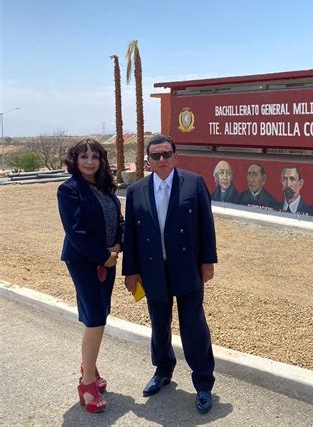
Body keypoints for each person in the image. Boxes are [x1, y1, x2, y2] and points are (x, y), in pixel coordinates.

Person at [122, 134, 217, 414]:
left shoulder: (194, 182)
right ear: (148, 160)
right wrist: (131, 270)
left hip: (187, 267)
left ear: (176, 156)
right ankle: (163, 371)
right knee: (159, 324)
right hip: (153, 269)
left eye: (166, 154)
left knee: (193, 326)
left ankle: (203, 384)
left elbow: (205, 225)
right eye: (155, 155)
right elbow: (132, 235)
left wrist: (207, 261)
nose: (161, 160)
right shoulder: (136, 190)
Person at [57, 138, 123, 414]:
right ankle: (87, 384)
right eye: (83, 157)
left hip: (109, 258)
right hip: (84, 262)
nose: (89, 162)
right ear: (75, 160)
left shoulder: (106, 187)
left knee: (100, 314)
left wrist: (118, 246)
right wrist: (103, 256)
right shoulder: (69, 190)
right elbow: (75, 232)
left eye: (94, 157)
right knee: (95, 317)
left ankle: (90, 365)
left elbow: (119, 221)